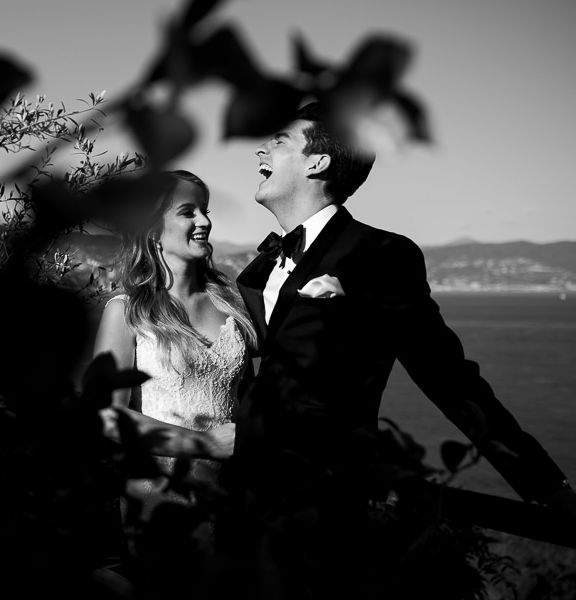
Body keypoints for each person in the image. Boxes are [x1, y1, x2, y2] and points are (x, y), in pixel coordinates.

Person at [224, 101, 576, 596]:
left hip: (321, 507)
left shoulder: (381, 255)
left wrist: (545, 484)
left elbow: (447, 376)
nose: (262, 148)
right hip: (242, 498)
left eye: (280, 140)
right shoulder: (256, 273)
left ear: (318, 162)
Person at [92, 169, 258, 552]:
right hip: (162, 498)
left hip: (236, 495)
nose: (204, 222)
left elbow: (249, 398)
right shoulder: (127, 312)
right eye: (188, 212)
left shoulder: (233, 304)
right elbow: (108, 416)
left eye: (205, 210)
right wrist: (205, 445)